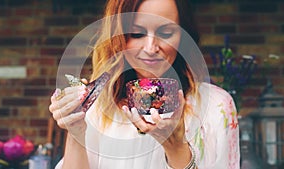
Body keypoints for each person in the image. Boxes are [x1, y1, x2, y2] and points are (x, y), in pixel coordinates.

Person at [49, 0, 240, 168]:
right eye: (137, 33)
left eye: (165, 32)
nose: (151, 48)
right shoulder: (98, 106)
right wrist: (76, 132)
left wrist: (176, 149)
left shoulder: (216, 106)